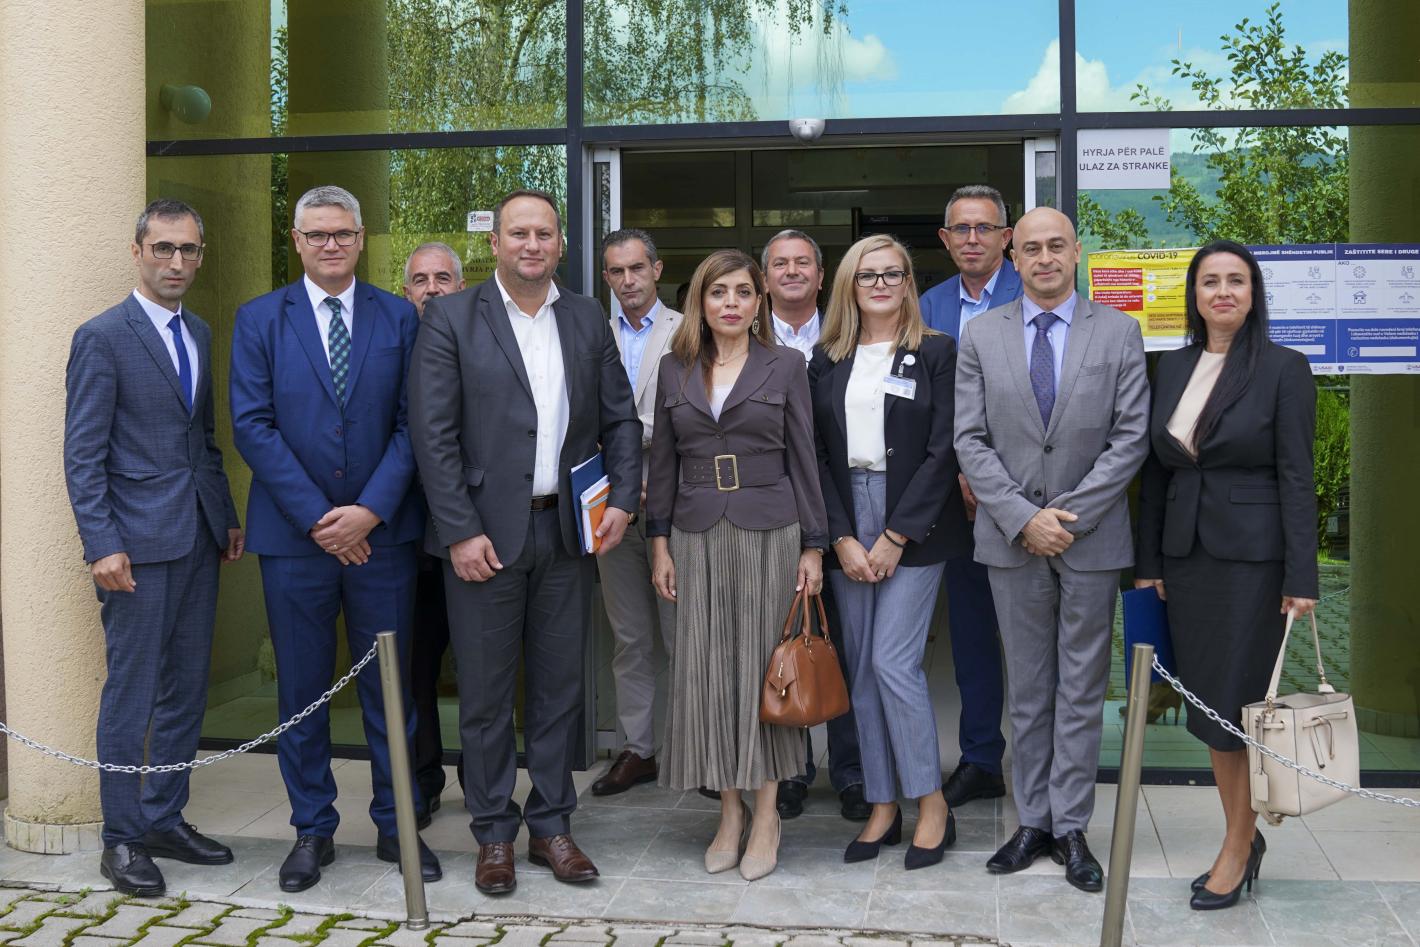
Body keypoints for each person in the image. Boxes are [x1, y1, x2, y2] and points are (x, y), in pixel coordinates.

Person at [408, 189, 641, 896]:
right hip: (483, 537)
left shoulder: (586, 317)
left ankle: (551, 824)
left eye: (543, 233)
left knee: (558, 689)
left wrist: (623, 501)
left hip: (565, 531)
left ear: (560, 244)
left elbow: (621, 420)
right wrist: (459, 531)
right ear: (495, 244)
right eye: (518, 233)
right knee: (484, 695)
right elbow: (433, 435)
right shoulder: (452, 316)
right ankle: (492, 832)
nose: (531, 245)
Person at [230, 185, 439, 892]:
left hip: (383, 538)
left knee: (391, 691)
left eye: (342, 233)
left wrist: (369, 511)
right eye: (316, 233)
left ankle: (396, 825)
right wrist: (324, 518)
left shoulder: (399, 317)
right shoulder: (260, 318)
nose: (330, 244)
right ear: (296, 240)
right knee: (302, 690)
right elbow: (252, 425)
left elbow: (415, 423)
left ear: (361, 237)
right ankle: (311, 829)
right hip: (296, 541)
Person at [954, 207, 1149, 893]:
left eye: (1056, 246)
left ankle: (1071, 826)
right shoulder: (981, 334)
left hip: (1091, 540)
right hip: (1012, 540)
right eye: (1031, 247)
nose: (1044, 258)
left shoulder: (1119, 331)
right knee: (1030, 689)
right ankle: (1031, 820)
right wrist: (1023, 518)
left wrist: (1066, 518)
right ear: (1014, 257)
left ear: (1077, 252)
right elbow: (969, 439)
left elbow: (1131, 436)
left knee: (1083, 689)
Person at [64, 199, 244, 898]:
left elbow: (203, 440)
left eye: (188, 249)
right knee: (132, 691)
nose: (177, 261)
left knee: (185, 688)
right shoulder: (102, 336)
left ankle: (165, 817)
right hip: (133, 548)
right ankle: (122, 838)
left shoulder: (198, 330)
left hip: (197, 537)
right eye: (164, 248)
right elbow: (83, 454)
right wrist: (101, 544)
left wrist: (224, 514)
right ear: (137, 251)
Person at [1135, 240, 1318, 911]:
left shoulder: (1283, 368)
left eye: (1235, 281)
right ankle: (1242, 833)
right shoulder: (1173, 365)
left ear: (1253, 293)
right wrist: (1149, 563)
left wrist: (1303, 575)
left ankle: (1238, 846)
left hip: (1253, 564)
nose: (1222, 292)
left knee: (1235, 707)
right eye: (1209, 281)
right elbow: (1156, 473)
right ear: (1194, 294)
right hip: (1186, 560)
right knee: (1210, 705)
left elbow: (1297, 477)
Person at [646, 248, 828, 882]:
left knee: (762, 671)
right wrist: (659, 541)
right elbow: (662, 463)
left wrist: (813, 545)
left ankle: (768, 813)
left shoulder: (787, 364)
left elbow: (804, 456)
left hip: (770, 532)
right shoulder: (674, 368)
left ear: (759, 302)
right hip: (695, 532)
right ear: (700, 300)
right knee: (707, 671)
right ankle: (729, 810)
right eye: (718, 291)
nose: (731, 303)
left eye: (743, 292)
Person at [808, 234, 969, 870]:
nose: (880, 284)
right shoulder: (825, 359)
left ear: (908, 283)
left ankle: (931, 801)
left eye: (892, 273)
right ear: (849, 285)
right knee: (862, 670)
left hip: (915, 522)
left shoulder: (937, 352)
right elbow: (815, 455)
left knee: (893, 662)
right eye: (867, 274)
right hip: (848, 516)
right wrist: (841, 537)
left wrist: (895, 536)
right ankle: (882, 803)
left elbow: (944, 448)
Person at [918, 185, 1022, 807]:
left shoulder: (1034, 292)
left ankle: (1043, 764)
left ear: (1006, 237)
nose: (973, 239)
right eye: (961, 229)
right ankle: (981, 758)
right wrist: (955, 475)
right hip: (957, 503)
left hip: (1025, 499)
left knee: (1034, 640)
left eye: (985, 228)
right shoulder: (927, 305)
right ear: (945, 239)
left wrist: (994, 482)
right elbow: (925, 405)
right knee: (974, 635)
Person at [762, 229, 869, 822]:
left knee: (842, 643)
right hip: (773, 513)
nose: (792, 271)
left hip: (843, 507)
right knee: (785, 641)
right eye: (780, 263)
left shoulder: (850, 335)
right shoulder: (748, 337)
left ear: (822, 276)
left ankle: (852, 772)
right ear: (765, 277)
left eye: (803, 262)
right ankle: (792, 770)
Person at [590, 228, 681, 796]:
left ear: (657, 269)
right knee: (629, 636)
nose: (628, 280)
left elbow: (693, 412)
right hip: (609, 511)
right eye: (617, 272)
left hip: (674, 507)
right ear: (606, 278)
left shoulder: (688, 331)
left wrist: (628, 445)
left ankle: (692, 748)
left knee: (683, 633)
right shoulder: (590, 334)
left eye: (637, 268)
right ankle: (637, 749)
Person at [401, 242, 466, 824]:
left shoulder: (478, 341)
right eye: (420, 280)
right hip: (405, 537)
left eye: (442, 277)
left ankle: (483, 779)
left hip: (470, 534)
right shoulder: (392, 346)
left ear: (460, 287)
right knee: (416, 667)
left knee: (480, 667)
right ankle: (423, 778)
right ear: (407, 293)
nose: (432, 289)